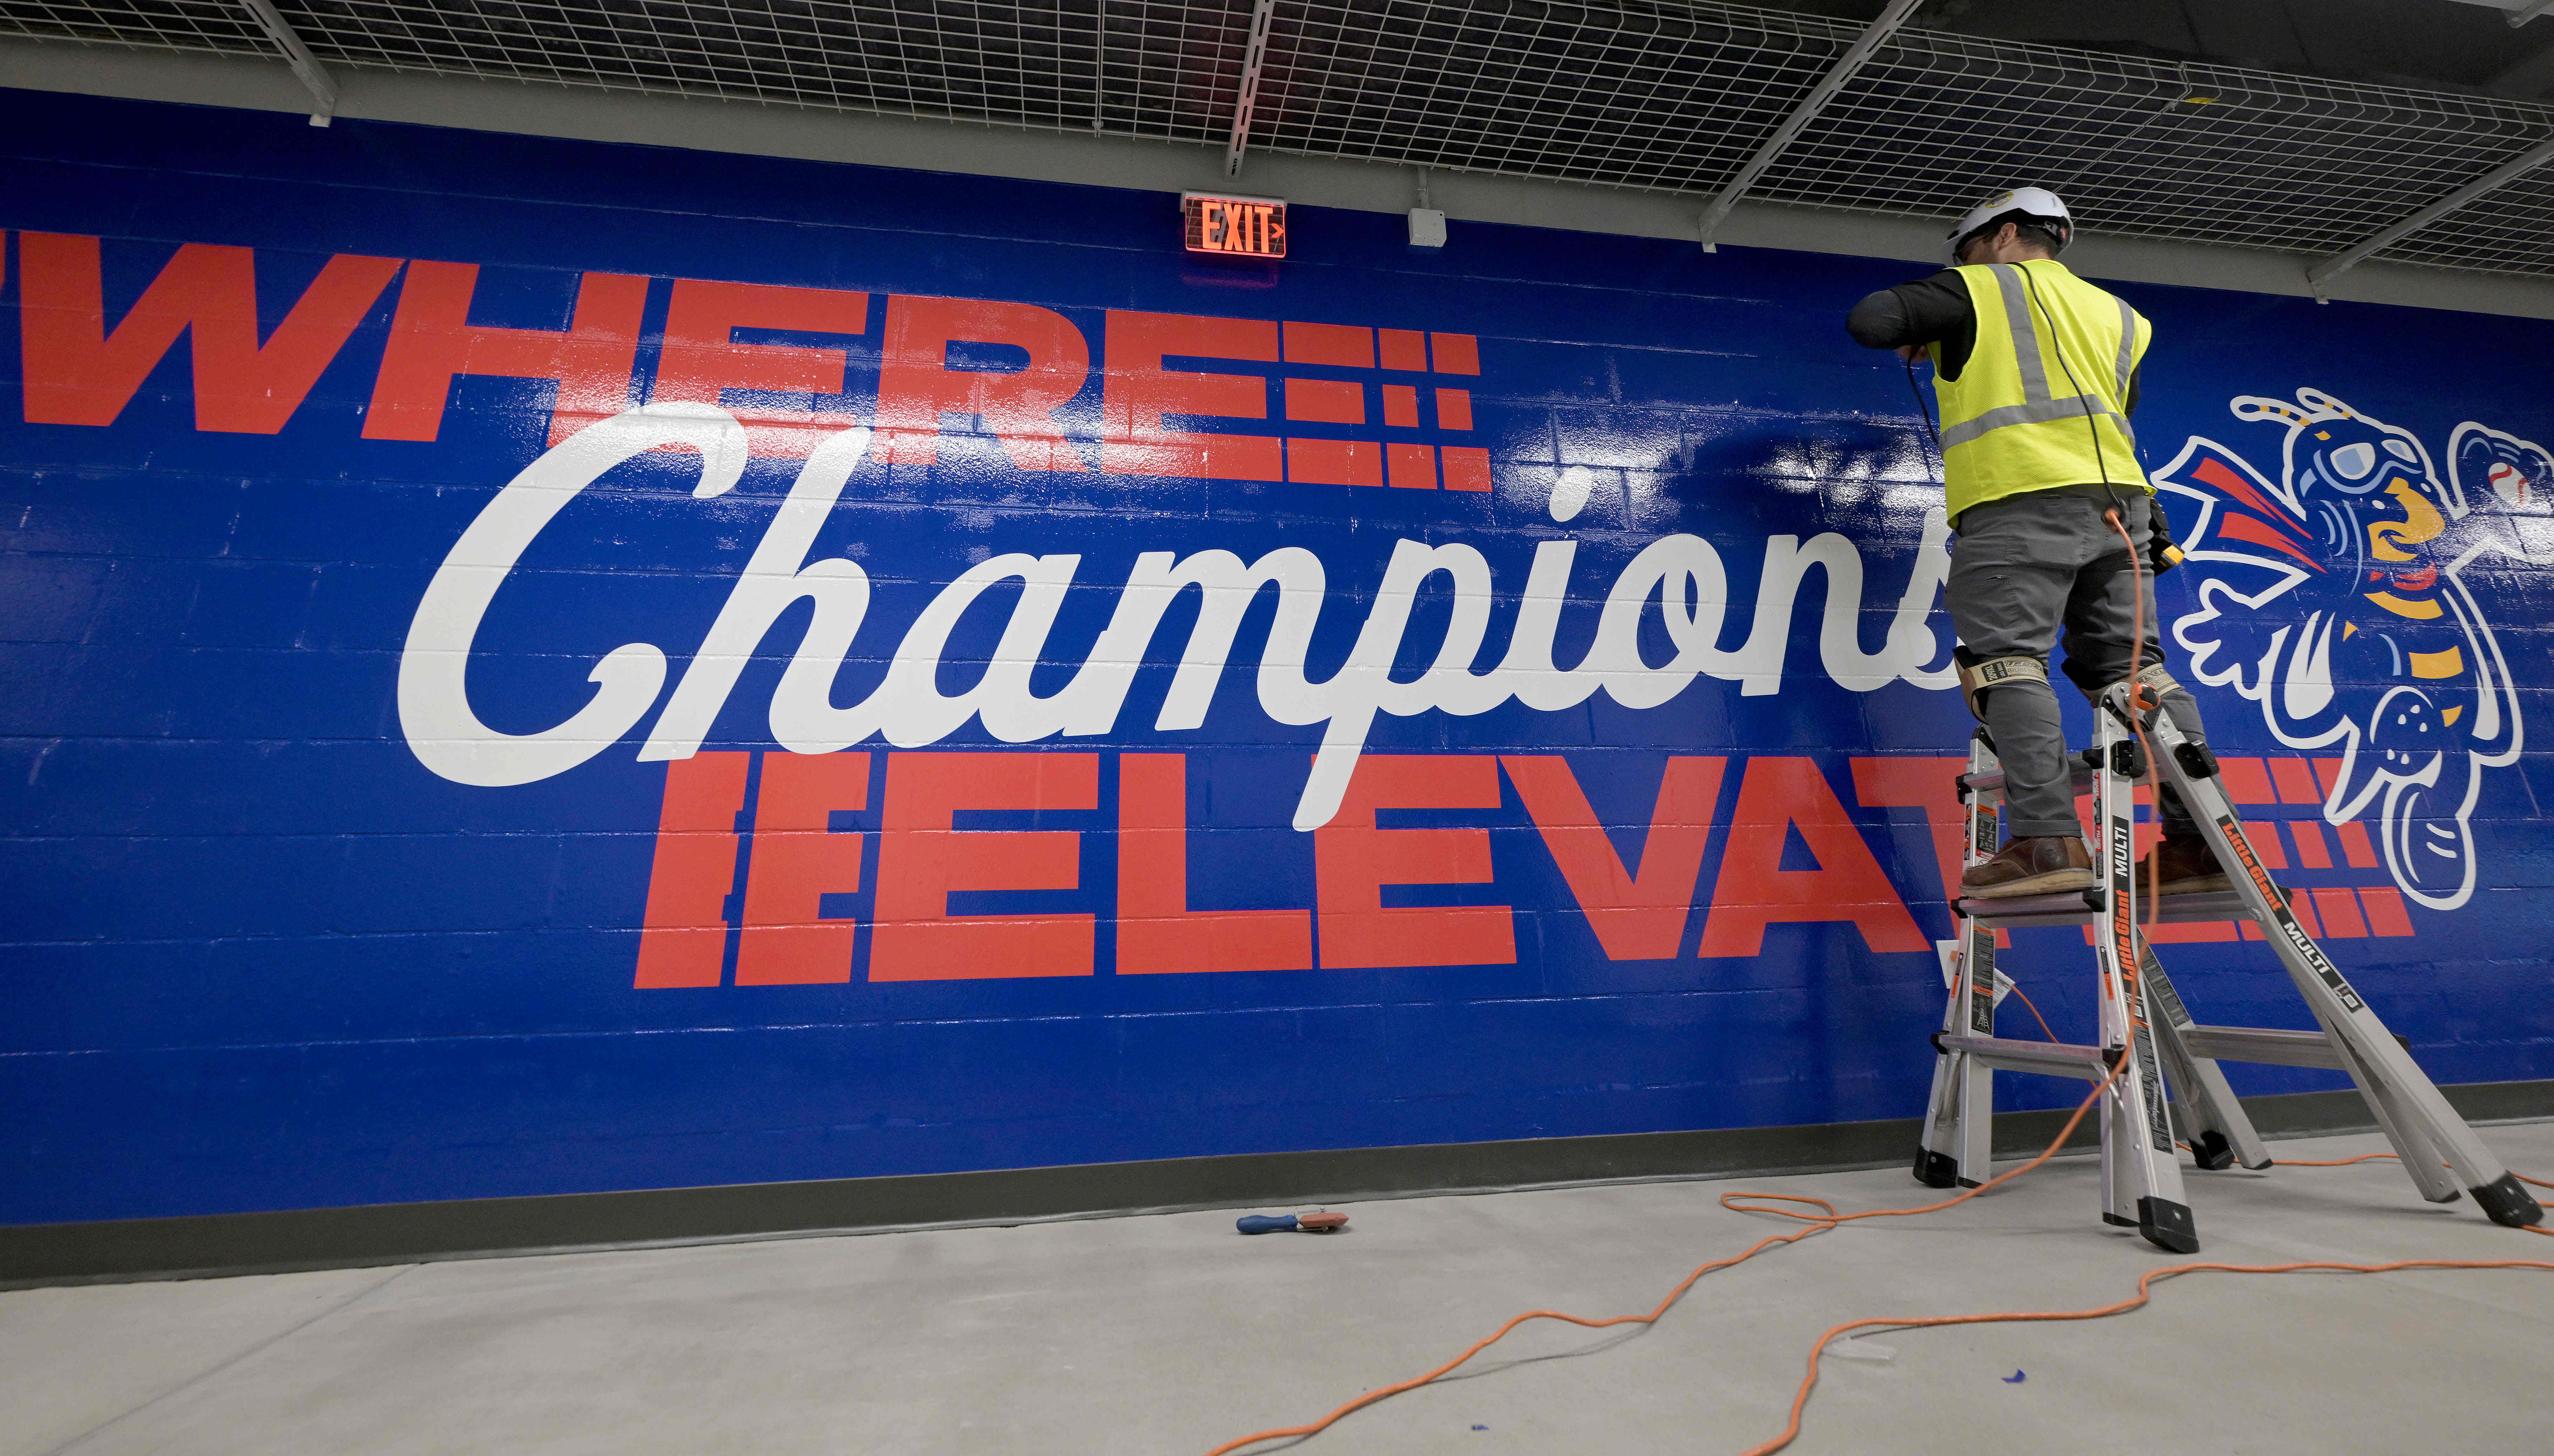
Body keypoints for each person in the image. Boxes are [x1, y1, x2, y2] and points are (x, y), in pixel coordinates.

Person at [1846, 187, 2227, 900]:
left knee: (2006, 665)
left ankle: (2046, 838)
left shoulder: (1975, 286)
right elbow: (2118, 414)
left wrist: (1929, 321)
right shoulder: (2120, 317)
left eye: (1965, 251)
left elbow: (1870, 321)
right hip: (2123, 510)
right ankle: (2199, 844)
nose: (1962, 266)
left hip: (2016, 504)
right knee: (2133, 672)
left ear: (2003, 233)